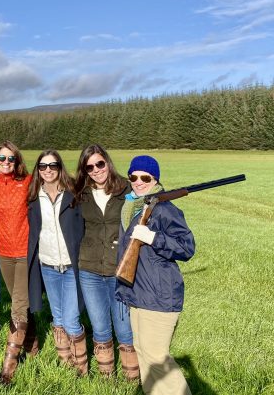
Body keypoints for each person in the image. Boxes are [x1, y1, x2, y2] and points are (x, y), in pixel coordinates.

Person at [115, 155, 195, 395]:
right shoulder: (133, 206)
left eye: (145, 177)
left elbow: (187, 247)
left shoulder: (164, 209)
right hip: (138, 292)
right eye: (133, 176)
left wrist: (153, 237)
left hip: (159, 296)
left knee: (157, 357)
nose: (138, 181)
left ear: (155, 179)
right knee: (143, 352)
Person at [72, 144, 139, 379]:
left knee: (124, 328)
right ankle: (105, 377)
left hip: (118, 269)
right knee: (100, 326)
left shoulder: (127, 190)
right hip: (88, 269)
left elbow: (149, 204)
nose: (96, 170)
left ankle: (132, 378)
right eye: (89, 167)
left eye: (99, 164)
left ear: (107, 162)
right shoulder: (81, 193)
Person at [27, 150, 87, 375]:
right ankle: (66, 362)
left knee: (71, 319)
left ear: (60, 167)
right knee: (58, 317)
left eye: (53, 165)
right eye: (43, 166)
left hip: (72, 266)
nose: (48, 170)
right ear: (38, 170)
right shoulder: (33, 198)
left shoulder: (73, 195)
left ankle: (81, 367)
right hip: (48, 266)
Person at [0, 140, 38, 384]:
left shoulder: (27, 182)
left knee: (18, 306)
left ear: (17, 162)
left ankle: (8, 369)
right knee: (22, 302)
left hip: (26, 252)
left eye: (11, 159)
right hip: (4, 253)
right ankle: (33, 345)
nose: (7, 162)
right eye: (2, 158)